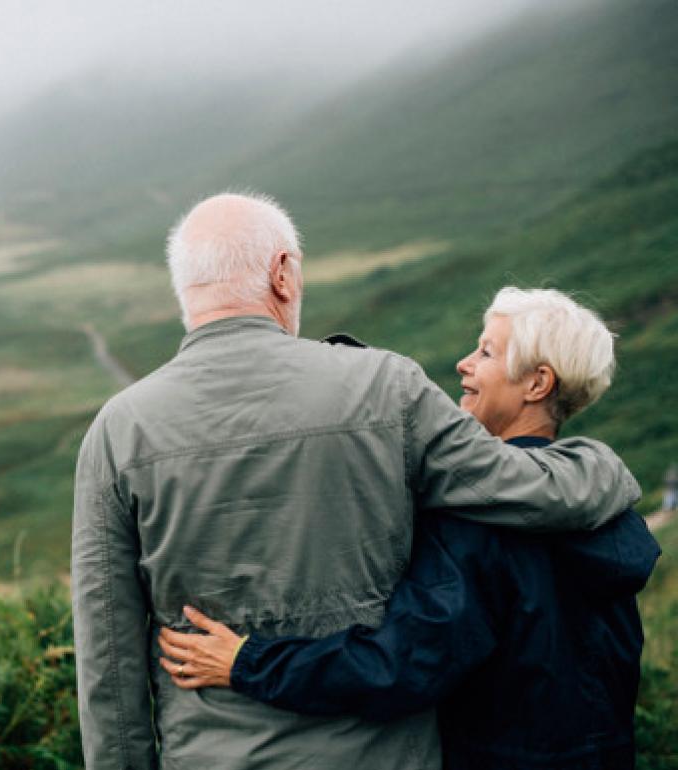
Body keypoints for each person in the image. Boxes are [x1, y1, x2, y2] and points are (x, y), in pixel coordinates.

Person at [71, 193, 641, 770]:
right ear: (284, 274)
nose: (469, 364)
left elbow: (107, 661)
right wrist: (604, 466)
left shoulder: (117, 431)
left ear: (184, 290)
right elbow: (527, 489)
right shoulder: (387, 388)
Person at [157, 287, 661, 769]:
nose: (464, 363)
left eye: (486, 353)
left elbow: (400, 668)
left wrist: (248, 662)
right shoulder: (606, 511)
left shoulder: (481, 523)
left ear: (537, 384)